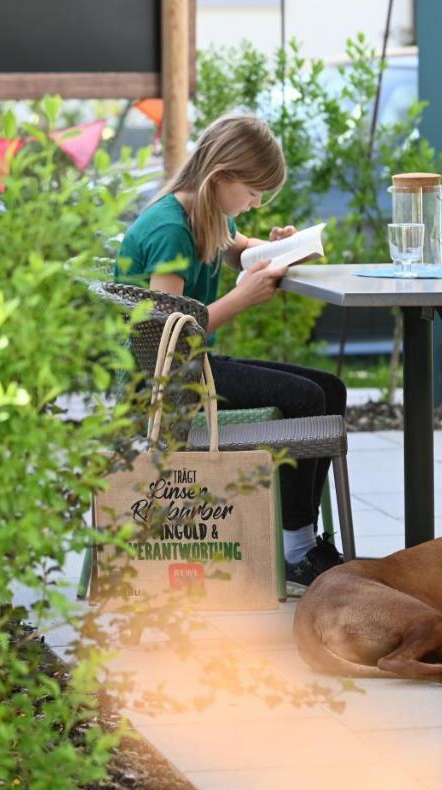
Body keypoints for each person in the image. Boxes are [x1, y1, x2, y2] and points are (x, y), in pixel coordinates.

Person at [116, 114, 346, 595]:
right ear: (220, 177)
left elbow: (245, 253)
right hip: (168, 387)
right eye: (254, 193)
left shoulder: (208, 215)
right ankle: (298, 550)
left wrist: (289, 250)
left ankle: (301, 543)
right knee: (306, 398)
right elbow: (166, 339)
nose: (256, 203)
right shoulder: (169, 231)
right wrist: (242, 299)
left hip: (195, 368)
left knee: (330, 388)